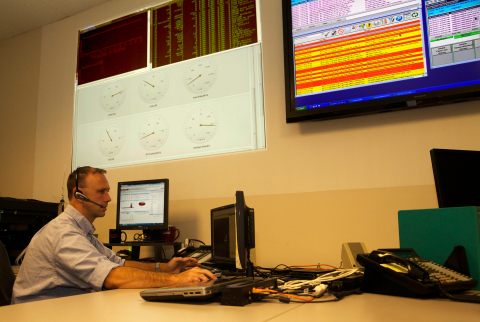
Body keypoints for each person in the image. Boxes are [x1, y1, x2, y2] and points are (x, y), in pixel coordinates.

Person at [12, 166, 216, 304]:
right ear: (78, 194)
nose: (109, 198)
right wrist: (179, 281)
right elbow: (111, 276)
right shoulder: (63, 233)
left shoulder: (82, 233)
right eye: (101, 192)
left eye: (108, 191)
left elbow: (119, 263)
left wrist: (165, 268)